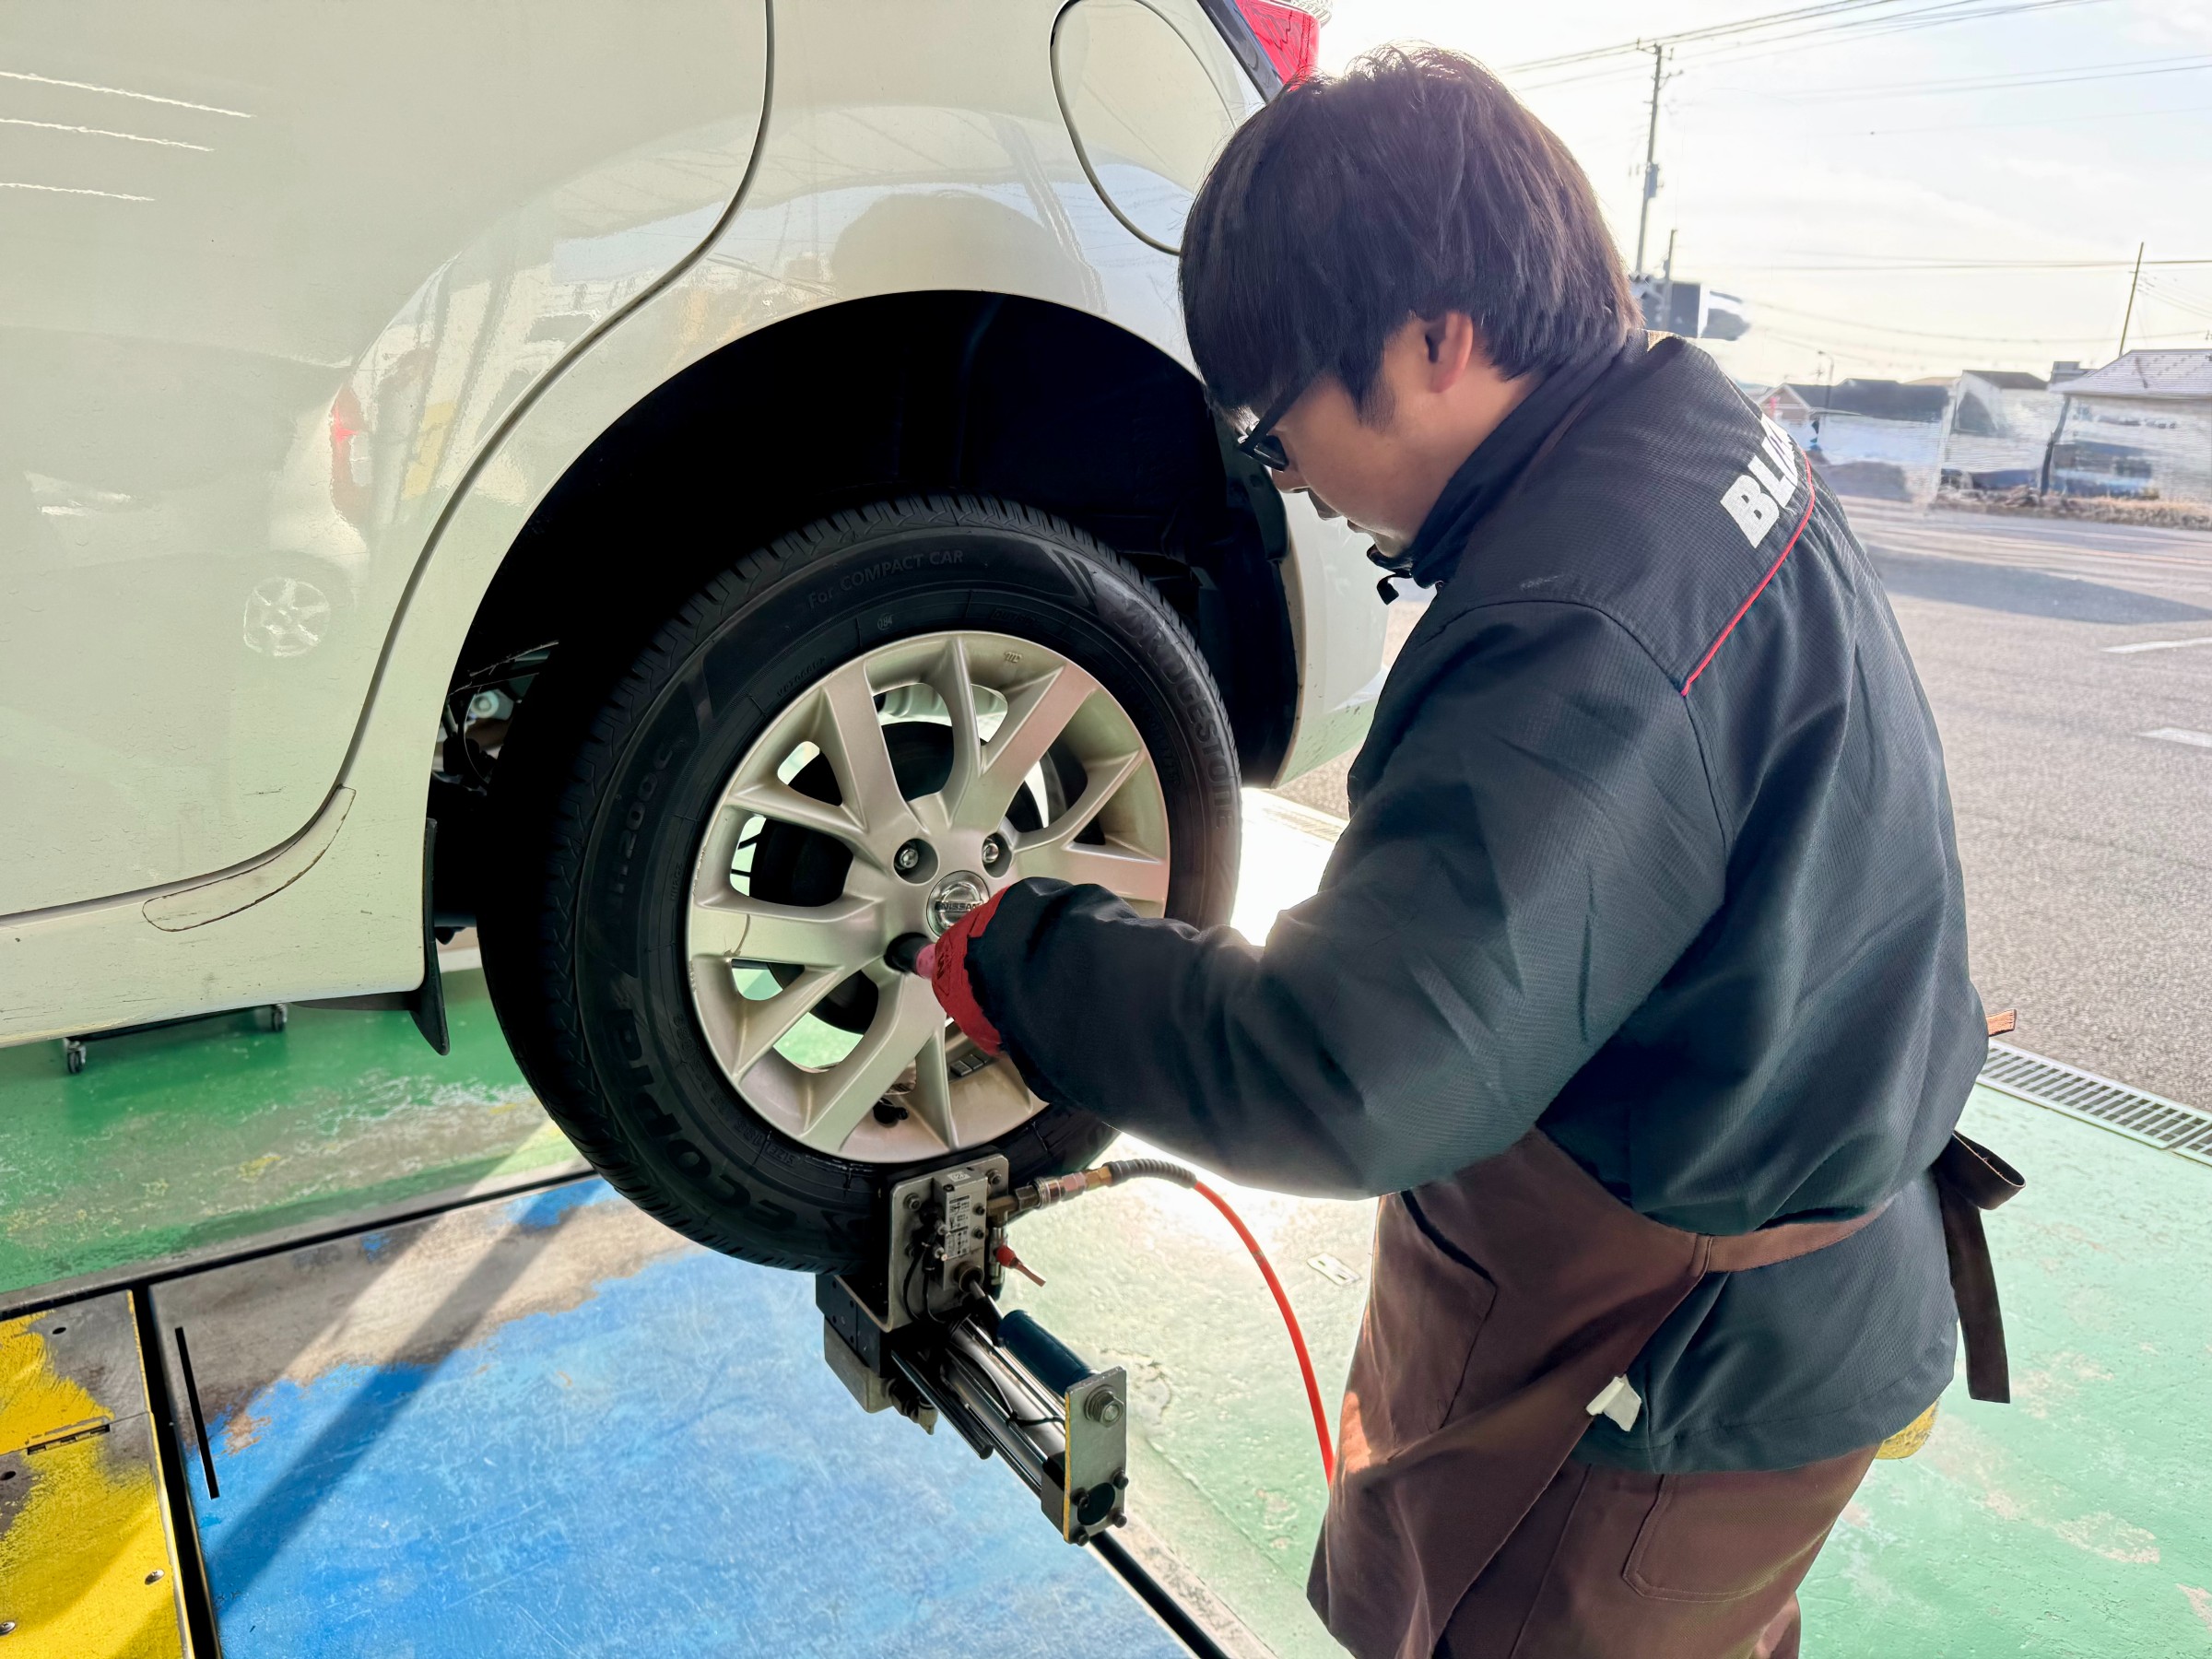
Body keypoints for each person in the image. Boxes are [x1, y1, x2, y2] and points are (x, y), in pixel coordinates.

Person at [920, 46, 2019, 1659]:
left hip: (1662, 1375)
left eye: (1275, 427)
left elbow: (1352, 1072)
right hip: (1786, 1242)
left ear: (1435, 338)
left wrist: (1028, 955)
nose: (1290, 481)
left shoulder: (1573, 625)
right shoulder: (1693, 427)